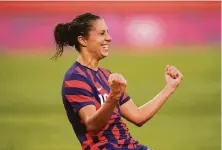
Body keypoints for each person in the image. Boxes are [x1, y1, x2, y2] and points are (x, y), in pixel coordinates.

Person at [53, 13, 183, 150]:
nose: (109, 38)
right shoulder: (75, 78)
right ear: (83, 40)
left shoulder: (105, 75)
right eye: (102, 33)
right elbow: (92, 125)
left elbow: (138, 117)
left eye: (107, 33)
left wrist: (169, 88)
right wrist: (113, 96)